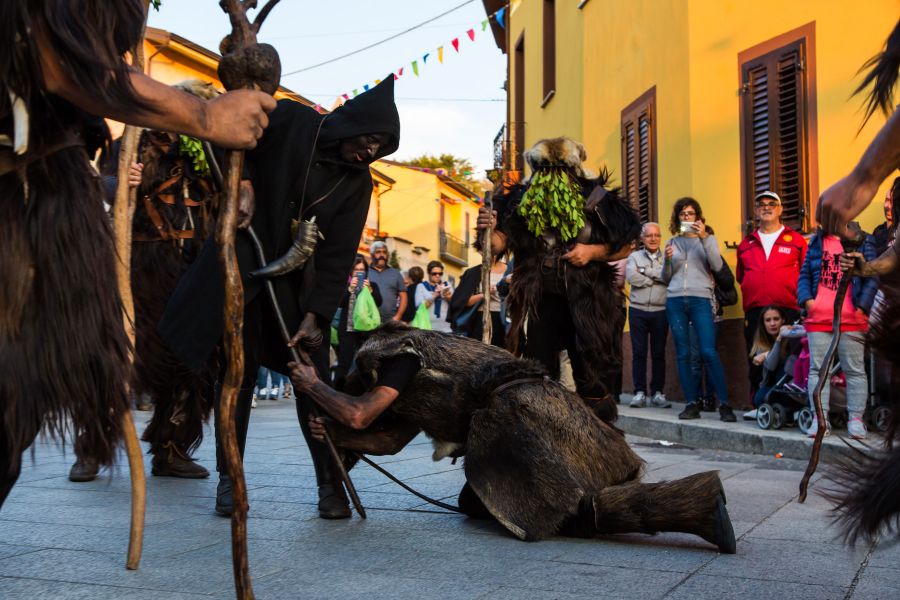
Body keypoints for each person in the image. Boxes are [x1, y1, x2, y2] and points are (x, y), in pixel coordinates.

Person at [0, 0, 274, 507]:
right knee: (100, 362)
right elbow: (62, 60)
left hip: (180, 265)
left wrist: (242, 186)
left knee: (181, 364)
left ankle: (169, 445)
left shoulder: (200, 155)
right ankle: (93, 442)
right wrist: (204, 115)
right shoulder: (138, 139)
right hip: (95, 242)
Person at [159, 77, 400, 519]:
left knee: (313, 383)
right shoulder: (290, 119)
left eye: (379, 149)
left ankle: (330, 484)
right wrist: (244, 183)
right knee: (237, 373)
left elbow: (337, 254)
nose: (369, 153)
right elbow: (222, 133)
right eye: (368, 140)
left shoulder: (357, 183)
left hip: (297, 290)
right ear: (353, 123)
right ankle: (231, 479)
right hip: (241, 266)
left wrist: (317, 314)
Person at [290, 322, 736, 553]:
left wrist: (313, 387)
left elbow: (362, 412)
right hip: (532, 407)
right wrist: (342, 438)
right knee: (473, 505)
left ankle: (693, 504)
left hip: (514, 417)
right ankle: (685, 504)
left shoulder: (391, 356)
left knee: (551, 513)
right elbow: (389, 440)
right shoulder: (418, 367)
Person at [477, 137, 641, 424]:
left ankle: (600, 441)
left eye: (560, 169)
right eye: (545, 169)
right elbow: (499, 243)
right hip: (539, 301)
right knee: (537, 373)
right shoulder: (520, 199)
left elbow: (627, 243)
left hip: (588, 302)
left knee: (591, 377)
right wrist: (488, 231)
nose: (552, 176)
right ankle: (543, 437)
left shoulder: (597, 197)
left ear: (573, 168)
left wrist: (593, 251)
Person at [797, 228, 878, 439]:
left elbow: (872, 275)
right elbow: (804, 274)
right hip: (819, 316)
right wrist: (808, 301)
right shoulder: (817, 241)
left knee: (854, 370)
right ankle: (820, 420)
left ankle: (856, 420)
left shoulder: (864, 239)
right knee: (818, 371)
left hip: (852, 318)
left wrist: (862, 307)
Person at [662, 198, 735, 422]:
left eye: (690, 213)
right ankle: (691, 404)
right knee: (683, 354)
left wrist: (704, 237)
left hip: (700, 298)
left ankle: (725, 405)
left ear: (698, 217)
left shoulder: (708, 240)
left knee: (708, 351)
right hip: (675, 300)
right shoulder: (672, 242)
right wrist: (666, 261)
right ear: (677, 218)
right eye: (682, 214)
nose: (686, 217)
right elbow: (665, 278)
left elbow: (716, 265)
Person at [736, 191, 807, 395]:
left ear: (780, 209)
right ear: (756, 211)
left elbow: (805, 273)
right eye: (761, 204)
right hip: (756, 310)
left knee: (788, 355)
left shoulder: (796, 240)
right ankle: (757, 401)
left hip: (788, 308)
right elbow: (742, 276)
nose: (766, 207)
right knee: (756, 354)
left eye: (772, 204)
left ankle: (786, 400)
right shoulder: (746, 243)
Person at [625, 223, 670, 408]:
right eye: (649, 235)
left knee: (659, 354)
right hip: (638, 310)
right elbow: (631, 277)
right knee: (639, 353)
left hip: (661, 311)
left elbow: (668, 277)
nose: (653, 239)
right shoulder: (634, 256)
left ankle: (658, 393)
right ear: (642, 238)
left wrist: (645, 271)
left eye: (657, 235)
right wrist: (656, 277)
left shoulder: (668, 258)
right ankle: (640, 393)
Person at [743, 306, 805, 419]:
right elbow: (771, 366)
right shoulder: (760, 344)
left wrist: (767, 354)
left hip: (792, 386)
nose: (772, 323)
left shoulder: (791, 337)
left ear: (783, 320)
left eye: (776, 319)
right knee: (759, 397)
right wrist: (778, 340)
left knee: (785, 366)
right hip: (772, 387)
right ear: (763, 323)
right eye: (768, 320)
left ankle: (784, 412)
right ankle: (783, 412)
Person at [333, 255, 383, 390]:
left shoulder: (372, 285)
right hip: (347, 329)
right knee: (344, 363)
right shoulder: (345, 285)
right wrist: (349, 290)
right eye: (356, 270)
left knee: (366, 363)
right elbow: (339, 303)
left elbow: (379, 302)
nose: (359, 272)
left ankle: (365, 391)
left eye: (362, 269)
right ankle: (337, 391)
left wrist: (371, 291)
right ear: (351, 271)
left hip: (366, 331)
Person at [448, 256, 508, 347]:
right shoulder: (474, 272)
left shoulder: (510, 270)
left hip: (504, 319)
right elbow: (463, 301)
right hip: (480, 318)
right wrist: (484, 294)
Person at [368, 241, 407, 324]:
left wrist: (398, 317)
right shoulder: (366, 272)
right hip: (368, 319)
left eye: (384, 252)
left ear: (387, 255)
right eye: (378, 252)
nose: (382, 255)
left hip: (390, 321)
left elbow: (403, 296)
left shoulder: (396, 273)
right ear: (372, 255)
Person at [414, 260, 454, 333]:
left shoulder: (447, 285)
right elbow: (420, 308)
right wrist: (435, 295)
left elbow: (455, 304)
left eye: (440, 273)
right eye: (434, 273)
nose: (437, 276)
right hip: (427, 328)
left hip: (446, 329)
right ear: (428, 273)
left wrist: (448, 296)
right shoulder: (421, 286)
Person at [871, 178, 898, 256]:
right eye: (887, 200)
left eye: (893, 202)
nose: (888, 206)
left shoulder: (898, 230)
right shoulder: (878, 231)